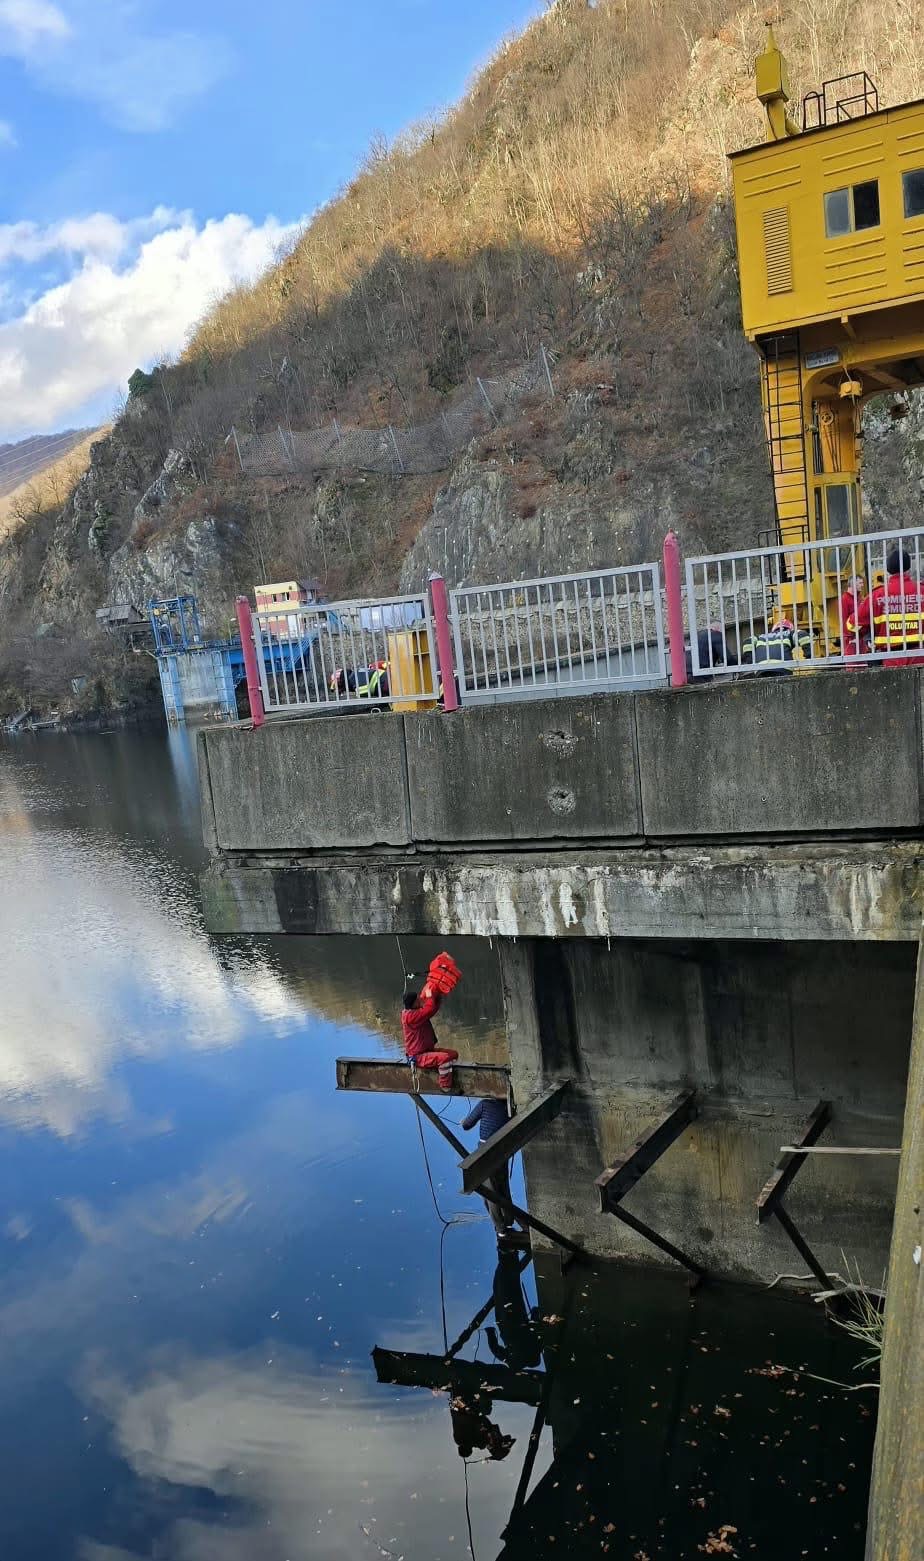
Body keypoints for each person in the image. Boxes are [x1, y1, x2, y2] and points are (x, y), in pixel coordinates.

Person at [848, 547, 924, 668]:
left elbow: (851, 625)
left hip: (890, 659)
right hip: (920, 656)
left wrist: (867, 633)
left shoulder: (877, 595)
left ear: (888, 569)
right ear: (908, 567)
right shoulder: (921, 591)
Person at [461, 1097, 522, 1244]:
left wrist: (463, 1122)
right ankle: (509, 1220)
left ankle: (501, 1230)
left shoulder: (485, 1104)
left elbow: (467, 1125)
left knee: (490, 1192)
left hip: (486, 1152)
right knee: (503, 1187)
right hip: (503, 1150)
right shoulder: (509, 1107)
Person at [401, 957, 461, 1091]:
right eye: (418, 1000)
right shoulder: (410, 1017)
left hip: (427, 1051)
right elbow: (428, 1009)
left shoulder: (415, 1013)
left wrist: (437, 996)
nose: (420, 1001)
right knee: (445, 1058)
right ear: (413, 1004)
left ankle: (443, 1071)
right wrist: (429, 995)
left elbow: (431, 1010)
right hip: (418, 1056)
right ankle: (445, 1086)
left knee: (453, 1054)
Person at [741, 616, 813, 674]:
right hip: (783, 668)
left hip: (761, 670)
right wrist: (809, 656)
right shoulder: (789, 633)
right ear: (790, 628)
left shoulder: (760, 636)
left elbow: (747, 642)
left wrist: (751, 663)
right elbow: (803, 635)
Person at [839, 575, 868, 657]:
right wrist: (851, 637)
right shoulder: (844, 599)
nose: (862, 585)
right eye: (860, 583)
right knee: (853, 662)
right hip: (851, 639)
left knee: (863, 662)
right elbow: (844, 621)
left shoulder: (860, 598)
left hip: (860, 638)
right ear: (853, 584)